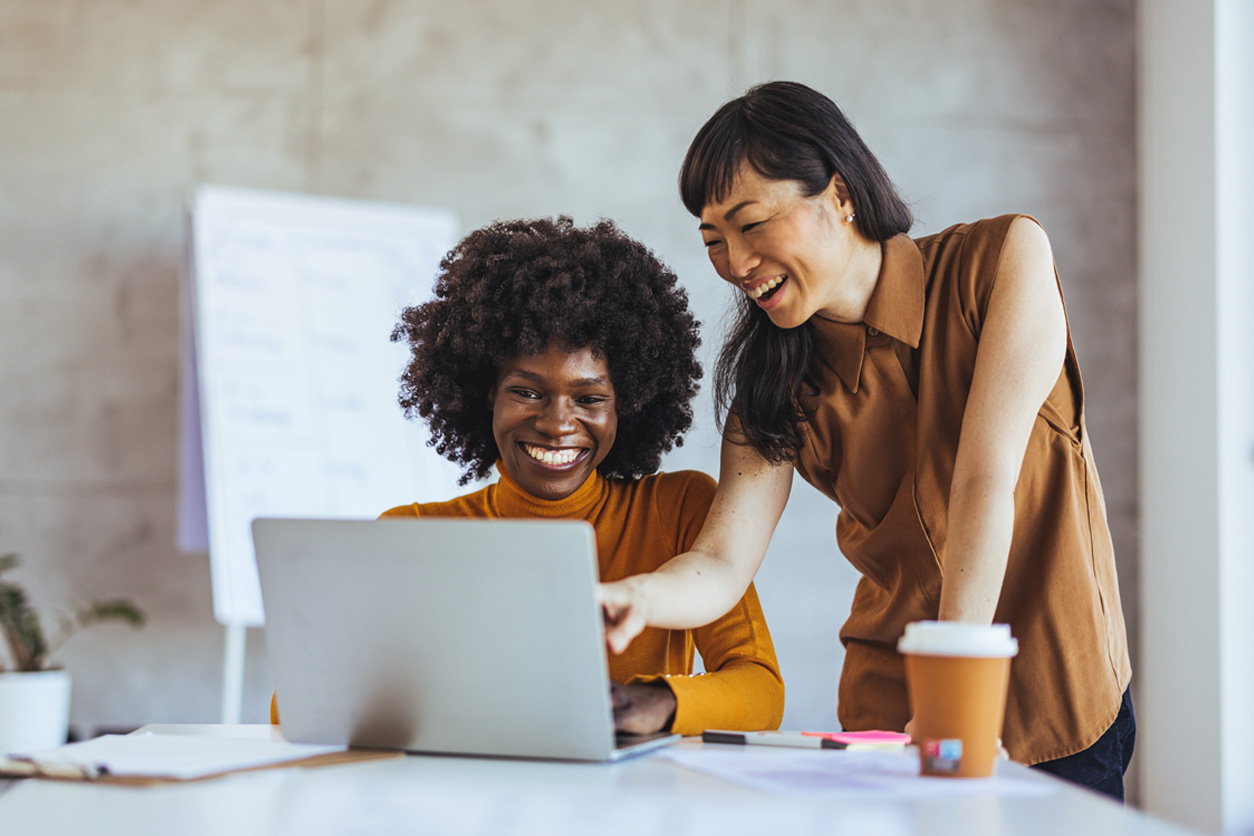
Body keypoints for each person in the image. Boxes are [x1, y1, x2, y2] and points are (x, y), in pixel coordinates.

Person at [599, 82, 1134, 798]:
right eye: (713, 241)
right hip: (892, 714)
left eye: (751, 223)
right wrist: (639, 594)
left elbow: (983, 477)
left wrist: (954, 699)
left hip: (1056, 695)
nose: (734, 261)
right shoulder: (773, 382)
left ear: (841, 193)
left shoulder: (1002, 261)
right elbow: (723, 560)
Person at [271, 216, 784, 736]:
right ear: (485, 392)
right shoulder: (410, 533)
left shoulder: (678, 510)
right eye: (528, 392)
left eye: (589, 399)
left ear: (626, 404)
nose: (558, 423)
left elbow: (761, 690)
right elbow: (297, 703)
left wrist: (654, 704)